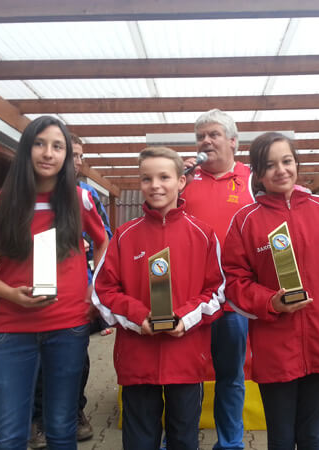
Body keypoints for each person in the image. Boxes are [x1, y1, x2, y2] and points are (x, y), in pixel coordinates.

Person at [0, 115, 107, 449]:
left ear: (67, 156)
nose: (48, 153)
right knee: (10, 434)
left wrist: (94, 286)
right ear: (26, 149)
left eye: (58, 146)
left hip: (68, 328)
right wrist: (11, 293)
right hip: (12, 332)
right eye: (40, 143)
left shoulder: (80, 199)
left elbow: (103, 242)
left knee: (61, 428)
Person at [222, 132, 319, 449]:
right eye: (270, 165)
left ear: (297, 163)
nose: (281, 170)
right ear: (259, 174)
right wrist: (270, 301)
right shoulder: (245, 221)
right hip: (276, 346)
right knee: (281, 437)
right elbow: (234, 283)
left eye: (287, 161)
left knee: (313, 435)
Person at [93, 147, 225, 450]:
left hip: (187, 357)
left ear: (181, 181)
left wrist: (185, 318)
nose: (155, 185)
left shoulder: (204, 235)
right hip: (138, 359)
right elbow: (104, 291)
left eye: (164, 177)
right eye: (146, 178)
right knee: (139, 440)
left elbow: (217, 291)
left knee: (184, 439)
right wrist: (140, 318)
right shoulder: (124, 236)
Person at [29, 133, 113, 448]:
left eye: (79, 155)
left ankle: (75, 411)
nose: (76, 161)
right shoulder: (23, 194)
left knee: (77, 356)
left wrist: (94, 284)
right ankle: (38, 419)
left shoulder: (86, 195)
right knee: (38, 356)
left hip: (77, 292)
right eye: (72, 154)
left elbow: (104, 238)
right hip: (37, 288)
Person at [181, 109, 254, 450]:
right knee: (182, 376)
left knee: (230, 376)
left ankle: (230, 443)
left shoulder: (254, 179)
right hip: (189, 297)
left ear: (233, 142)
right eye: (200, 136)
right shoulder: (182, 180)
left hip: (234, 298)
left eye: (214, 134)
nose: (206, 141)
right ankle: (180, 440)